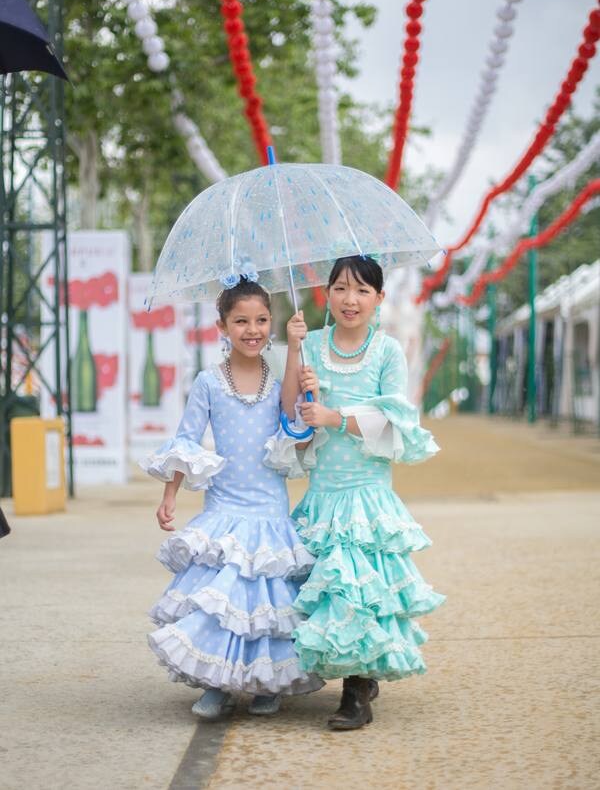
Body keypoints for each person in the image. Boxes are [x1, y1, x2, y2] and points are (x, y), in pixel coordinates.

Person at [140, 277, 322, 720]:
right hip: (224, 507)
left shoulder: (278, 375)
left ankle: (267, 682)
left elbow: (290, 414)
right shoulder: (208, 382)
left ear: (273, 323)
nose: (252, 329)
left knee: (267, 604)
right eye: (241, 321)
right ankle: (218, 683)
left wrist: (297, 350)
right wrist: (171, 495)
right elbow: (186, 439)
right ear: (222, 326)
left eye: (261, 320)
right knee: (222, 601)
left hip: (268, 507)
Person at [277, 255, 445, 730]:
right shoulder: (309, 345)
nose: (350, 300)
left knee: (359, 591)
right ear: (326, 294)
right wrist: (293, 355)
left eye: (362, 291)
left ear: (378, 299)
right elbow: (289, 414)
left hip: (367, 496)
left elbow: (397, 429)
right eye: (341, 289)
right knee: (327, 592)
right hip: (322, 494)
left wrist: (335, 416)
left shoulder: (388, 352)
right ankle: (354, 677)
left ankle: (355, 693)